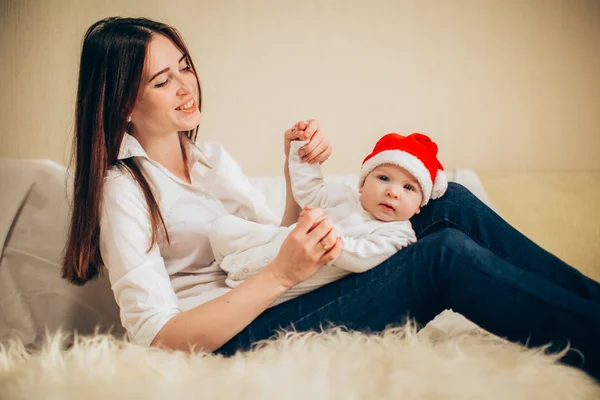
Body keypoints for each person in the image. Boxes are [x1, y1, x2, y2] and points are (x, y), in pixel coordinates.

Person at [61, 16, 600, 382]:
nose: (186, 86)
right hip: (229, 340)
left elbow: (272, 241)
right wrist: (280, 275)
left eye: (184, 66)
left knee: (447, 202)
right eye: (161, 80)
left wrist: (297, 168)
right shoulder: (123, 189)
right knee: (443, 255)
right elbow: (158, 336)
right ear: (123, 103)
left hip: (275, 294)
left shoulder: (211, 160)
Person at [210, 131, 448, 306]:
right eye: (384, 178)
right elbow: (307, 188)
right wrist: (302, 149)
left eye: (408, 188)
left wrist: (321, 234)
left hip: (292, 284)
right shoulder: (342, 196)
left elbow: (362, 257)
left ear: (419, 207)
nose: (393, 192)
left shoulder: (399, 234)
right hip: (272, 243)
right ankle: (229, 261)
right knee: (222, 227)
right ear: (363, 184)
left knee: (262, 284)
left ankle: (241, 281)